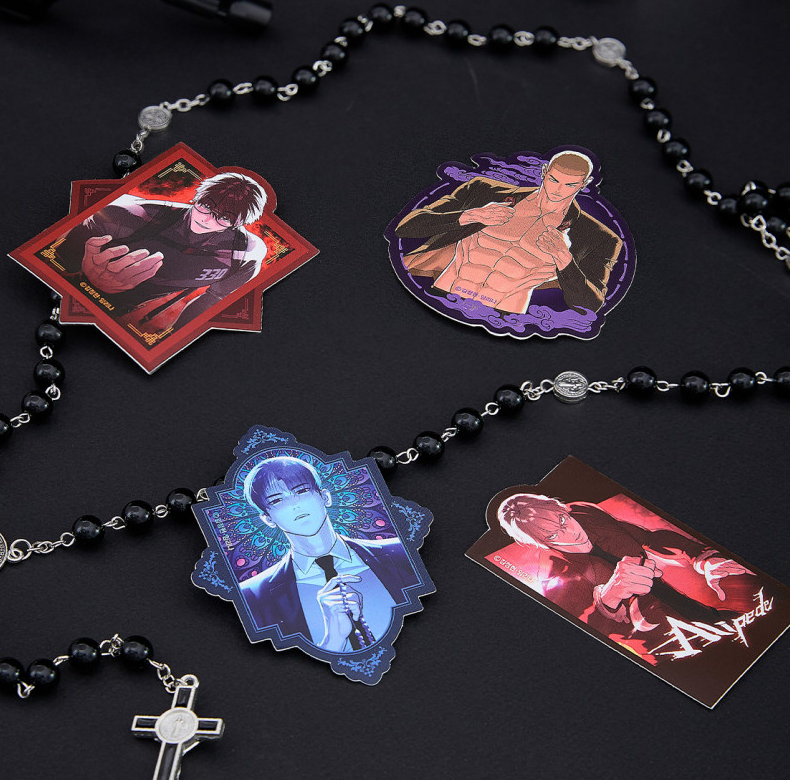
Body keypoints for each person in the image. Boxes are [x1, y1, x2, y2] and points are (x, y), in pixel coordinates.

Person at [492, 493, 752, 641]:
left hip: (697, 609)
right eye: (552, 535)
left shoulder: (584, 513)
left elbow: (647, 537)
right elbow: (583, 626)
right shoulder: (557, 574)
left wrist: (702, 557)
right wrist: (608, 600)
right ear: (541, 543)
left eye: (562, 519)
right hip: (660, 640)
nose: (570, 532)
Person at [395, 151, 623, 314]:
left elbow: (590, 305)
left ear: (585, 184)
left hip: (504, 316)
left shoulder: (599, 237)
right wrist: (470, 215)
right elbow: (405, 228)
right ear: (544, 172)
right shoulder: (483, 191)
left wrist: (564, 258)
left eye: (570, 185)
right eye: (553, 179)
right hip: (440, 295)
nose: (558, 190)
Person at [239, 456, 420, 653]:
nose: (294, 504)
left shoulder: (400, 553)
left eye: (302, 491)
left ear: (325, 497)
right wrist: (333, 639)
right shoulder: (253, 595)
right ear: (267, 519)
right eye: (277, 501)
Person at [56, 172, 267, 330]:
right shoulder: (129, 215)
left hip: (126, 314)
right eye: (206, 205)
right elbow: (61, 258)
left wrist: (175, 338)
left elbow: (213, 300)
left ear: (238, 223)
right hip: (74, 291)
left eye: (224, 217)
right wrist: (83, 272)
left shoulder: (244, 256)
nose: (206, 219)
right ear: (197, 197)